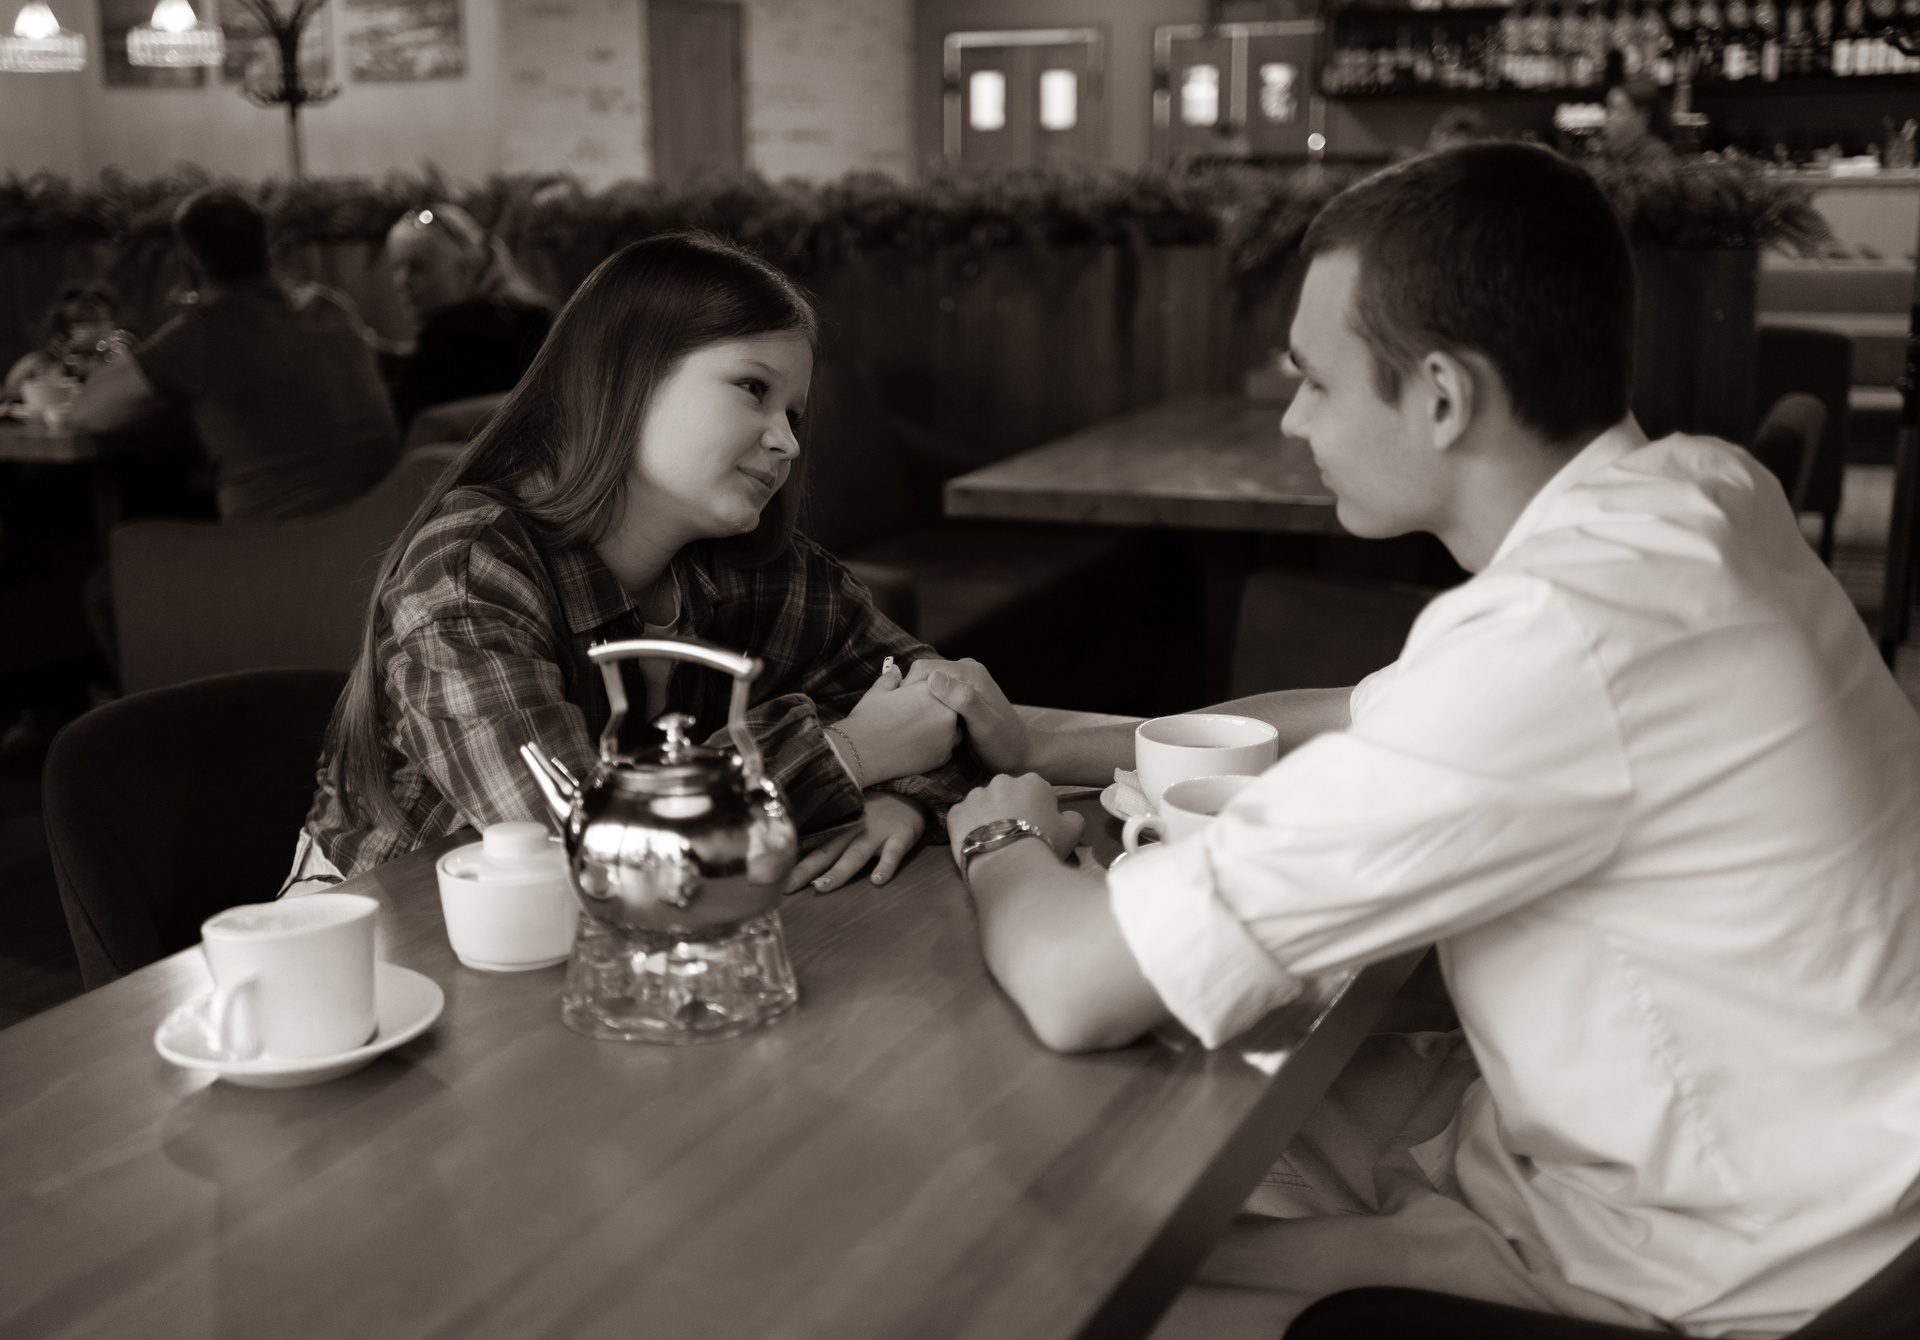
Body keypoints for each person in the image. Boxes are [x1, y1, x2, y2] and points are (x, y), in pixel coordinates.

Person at [921, 143, 1920, 1337]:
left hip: (1706, 1270)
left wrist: (1003, 837)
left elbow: (1077, 981)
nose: (1293, 418)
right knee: (1148, 1147)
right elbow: (1375, 710)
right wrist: (1058, 739)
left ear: (1442, 397)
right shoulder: (1698, 494)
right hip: (1809, 1171)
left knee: (1048, 1271)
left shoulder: (1558, 636)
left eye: (1315, 382)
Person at [289, 232, 978, 899]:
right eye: (752, 388)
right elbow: (586, 845)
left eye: (794, 415)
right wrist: (848, 755)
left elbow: (948, 708)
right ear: (628, 377)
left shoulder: (760, 570)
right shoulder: (470, 571)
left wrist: (899, 798)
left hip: (625, 936)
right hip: (370, 934)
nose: (787, 442)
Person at [72, 189, 400, 523]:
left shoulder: (206, 331)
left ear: (188, 259)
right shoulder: (332, 309)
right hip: (384, 529)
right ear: (268, 246)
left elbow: (89, 412)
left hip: (284, 544)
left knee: (124, 550)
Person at [384, 203, 553, 431]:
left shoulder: (449, 336)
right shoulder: (535, 319)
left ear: (466, 270)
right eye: (396, 267)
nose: (402, 281)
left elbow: (399, 423)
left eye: (417, 267)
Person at [2, 279, 125, 398]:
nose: (87, 331)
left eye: (95, 323)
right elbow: (7, 396)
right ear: (60, 328)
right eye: (77, 323)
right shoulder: (36, 365)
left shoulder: (123, 363)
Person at [1601, 77, 1675, 164]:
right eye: (1608, 108)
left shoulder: (1656, 156)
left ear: (1643, 116)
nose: (1610, 118)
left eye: (1619, 110)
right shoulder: (1614, 149)